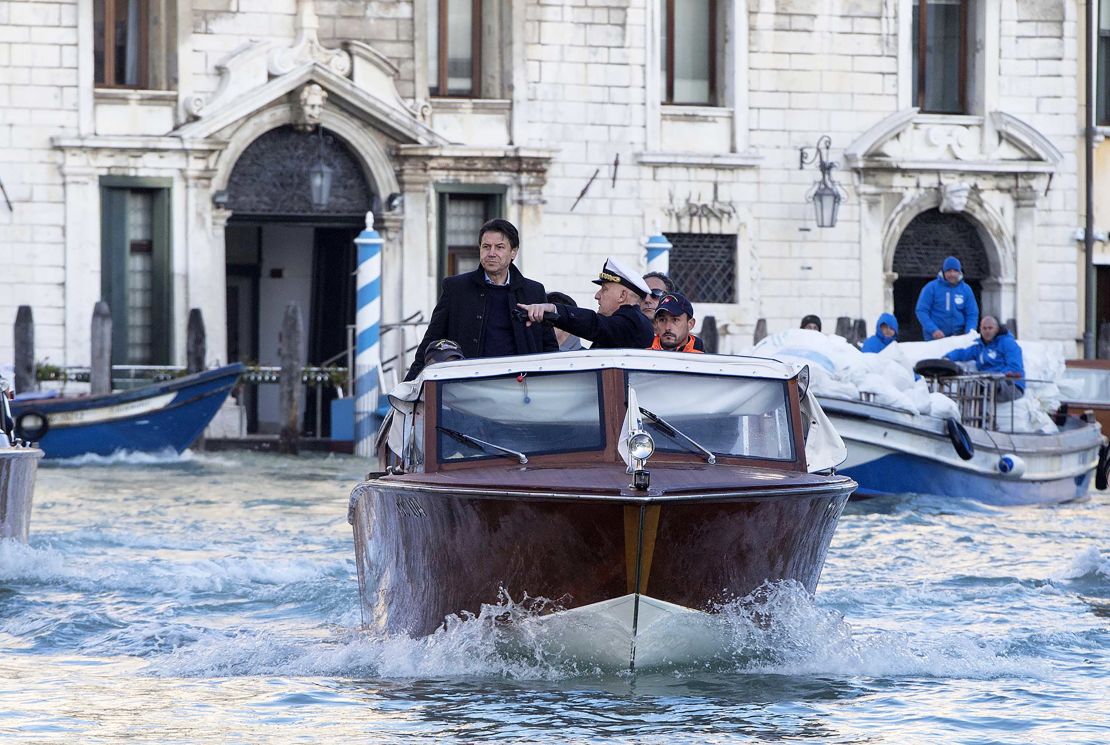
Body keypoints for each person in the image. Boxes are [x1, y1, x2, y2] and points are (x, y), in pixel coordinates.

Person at [405, 218, 557, 381]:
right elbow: (431, 341)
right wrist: (409, 388)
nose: (491, 253)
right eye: (486, 247)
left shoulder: (533, 291)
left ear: (513, 252)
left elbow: (549, 347)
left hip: (522, 388)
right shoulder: (456, 288)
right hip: (468, 387)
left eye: (499, 247)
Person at [516, 257, 654, 349]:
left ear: (622, 295)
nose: (597, 296)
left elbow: (594, 324)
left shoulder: (632, 322)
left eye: (604, 289)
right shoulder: (622, 323)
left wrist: (554, 310)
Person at [943, 316, 1025, 401]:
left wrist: (993, 376)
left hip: (1011, 385)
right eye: (984, 328)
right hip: (987, 382)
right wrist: (947, 358)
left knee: (984, 385)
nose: (987, 331)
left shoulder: (1007, 343)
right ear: (980, 330)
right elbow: (963, 353)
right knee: (967, 387)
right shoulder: (979, 347)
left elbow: (1015, 367)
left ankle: (982, 411)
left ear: (997, 329)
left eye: (990, 328)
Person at [916, 255, 979, 340]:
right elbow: (921, 310)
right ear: (943, 271)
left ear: (959, 272)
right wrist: (933, 330)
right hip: (935, 338)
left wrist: (969, 332)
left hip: (959, 337)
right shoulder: (931, 287)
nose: (952, 274)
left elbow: (972, 313)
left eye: (955, 271)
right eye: (948, 271)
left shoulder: (966, 289)